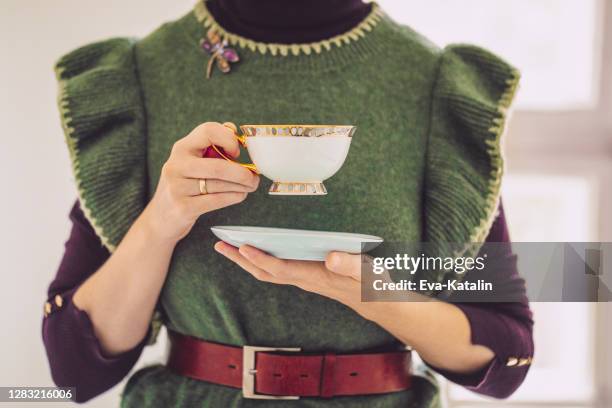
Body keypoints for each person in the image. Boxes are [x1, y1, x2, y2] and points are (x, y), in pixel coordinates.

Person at [43, 0, 534, 406]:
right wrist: (160, 222)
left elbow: (509, 352)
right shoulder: (138, 78)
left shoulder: (436, 84)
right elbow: (73, 371)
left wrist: (372, 294)